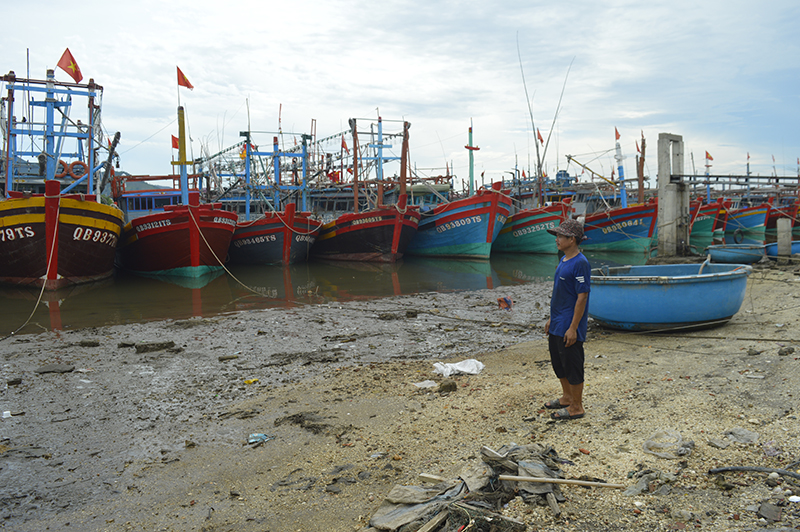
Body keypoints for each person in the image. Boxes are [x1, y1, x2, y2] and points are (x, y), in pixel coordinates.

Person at [543, 219, 590, 420]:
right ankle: (566, 397)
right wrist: (551, 318)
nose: (557, 240)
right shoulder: (563, 260)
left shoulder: (580, 263)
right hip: (557, 322)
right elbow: (559, 293)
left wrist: (573, 327)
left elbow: (582, 296)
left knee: (572, 363)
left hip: (570, 324)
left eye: (560, 236)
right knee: (558, 362)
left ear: (572, 240)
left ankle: (577, 407)